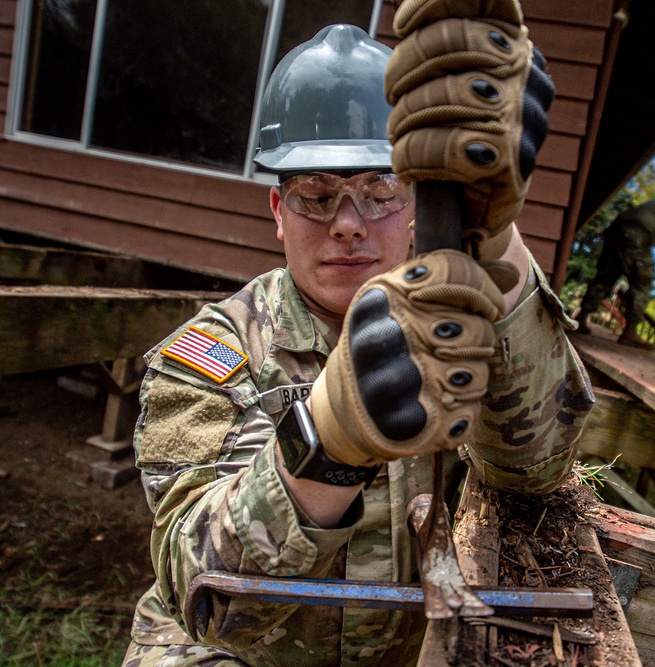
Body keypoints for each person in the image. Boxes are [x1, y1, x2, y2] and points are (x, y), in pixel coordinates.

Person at [122, 10, 594, 666]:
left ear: (416, 203)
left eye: (380, 190)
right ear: (277, 212)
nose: (348, 223)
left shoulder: (458, 324)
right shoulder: (212, 355)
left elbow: (537, 469)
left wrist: (490, 238)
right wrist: (327, 439)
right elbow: (198, 595)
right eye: (317, 194)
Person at [572, 200, 655, 348]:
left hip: (618, 226)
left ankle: (581, 317)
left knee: (606, 276)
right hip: (637, 232)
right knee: (643, 280)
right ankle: (630, 332)